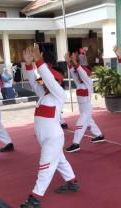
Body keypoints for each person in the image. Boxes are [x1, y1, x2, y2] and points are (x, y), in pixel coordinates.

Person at [19, 45, 80, 208]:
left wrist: (39, 60)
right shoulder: (44, 93)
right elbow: (34, 80)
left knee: (45, 166)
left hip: (52, 138)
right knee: (59, 160)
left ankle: (35, 198)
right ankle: (72, 182)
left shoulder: (59, 94)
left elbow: (48, 78)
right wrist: (29, 65)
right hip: (46, 138)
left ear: (56, 81)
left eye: (46, 81)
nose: (43, 82)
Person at [64, 52, 104, 153]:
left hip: (86, 108)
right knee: (90, 123)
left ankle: (76, 143)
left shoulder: (88, 82)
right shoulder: (79, 83)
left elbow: (81, 73)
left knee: (80, 124)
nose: (78, 75)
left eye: (81, 73)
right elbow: (74, 73)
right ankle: (99, 135)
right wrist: (69, 63)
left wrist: (75, 62)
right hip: (82, 109)